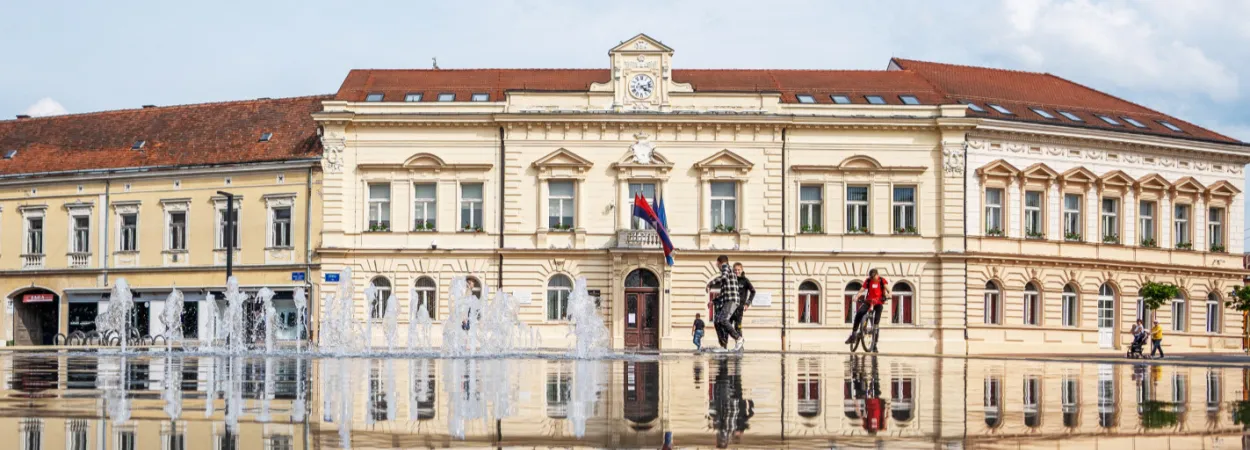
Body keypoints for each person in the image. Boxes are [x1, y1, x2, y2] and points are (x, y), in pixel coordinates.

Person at [706, 255, 743, 351]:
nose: (716, 265)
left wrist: (711, 283)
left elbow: (724, 277)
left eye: (717, 263)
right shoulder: (727, 275)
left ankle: (738, 338)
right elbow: (723, 294)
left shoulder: (725, 267)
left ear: (719, 262)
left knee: (723, 319)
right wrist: (712, 302)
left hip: (732, 300)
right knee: (717, 321)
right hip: (728, 300)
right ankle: (723, 346)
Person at [846, 269, 890, 349]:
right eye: (871, 278)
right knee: (859, 313)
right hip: (868, 301)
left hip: (878, 302)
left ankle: (875, 345)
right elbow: (861, 291)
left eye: (874, 278)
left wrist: (888, 295)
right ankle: (854, 334)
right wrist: (856, 297)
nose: (873, 279)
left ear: (877, 275)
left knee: (876, 322)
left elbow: (889, 291)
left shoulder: (882, 281)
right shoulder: (868, 281)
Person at [730, 263, 756, 340]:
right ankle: (724, 347)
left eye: (738, 270)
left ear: (741, 270)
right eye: (735, 270)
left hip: (739, 308)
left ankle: (739, 347)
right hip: (730, 307)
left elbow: (753, 291)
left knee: (738, 327)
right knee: (726, 327)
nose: (737, 271)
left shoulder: (745, 281)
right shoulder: (730, 280)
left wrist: (747, 303)